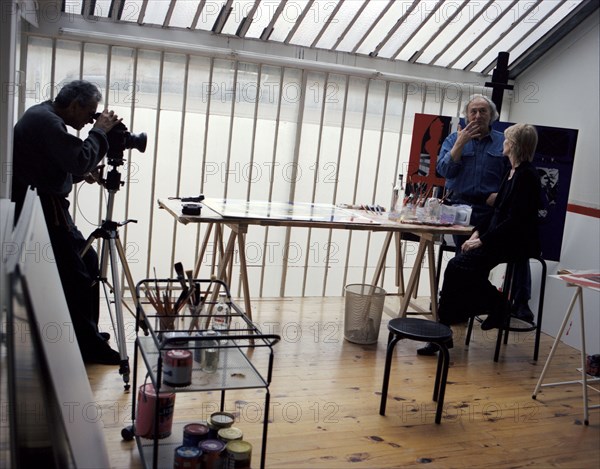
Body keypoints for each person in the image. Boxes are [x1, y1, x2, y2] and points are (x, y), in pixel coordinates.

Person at [11, 79, 123, 365]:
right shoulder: (48, 122)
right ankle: (87, 348)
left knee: (88, 261)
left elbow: (55, 165)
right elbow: (77, 160)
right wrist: (100, 133)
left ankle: (88, 335)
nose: (89, 120)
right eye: (89, 112)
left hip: (47, 206)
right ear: (75, 105)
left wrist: (78, 173)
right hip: (41, 210)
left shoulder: (43, 115)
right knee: (75, 276)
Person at [417, 123, 541, 355]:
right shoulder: (511, 171)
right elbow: (497, 212)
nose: (502, 143)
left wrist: (482, 241)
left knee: (457, 267)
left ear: (513, 145)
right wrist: (477, 232)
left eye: (506, 140)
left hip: (516, 241)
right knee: (458, 269)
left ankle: (496, 305)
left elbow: (515, 221)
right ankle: (447, 329)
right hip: (501, 235)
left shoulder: (527, 176)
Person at [436, 94, 534, 323]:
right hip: (460, 208)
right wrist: (460, 144)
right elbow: (444, 172)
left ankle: (506, 304)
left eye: (483, 111)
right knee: (464, 260)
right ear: (466, 115)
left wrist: (501, 197)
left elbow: (516, 178)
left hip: (492, 212)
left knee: (471, 263)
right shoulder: (453, 139)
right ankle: (461, 308)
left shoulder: (505, 141)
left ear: (492, 116)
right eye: (473, 111)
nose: (478, 116)